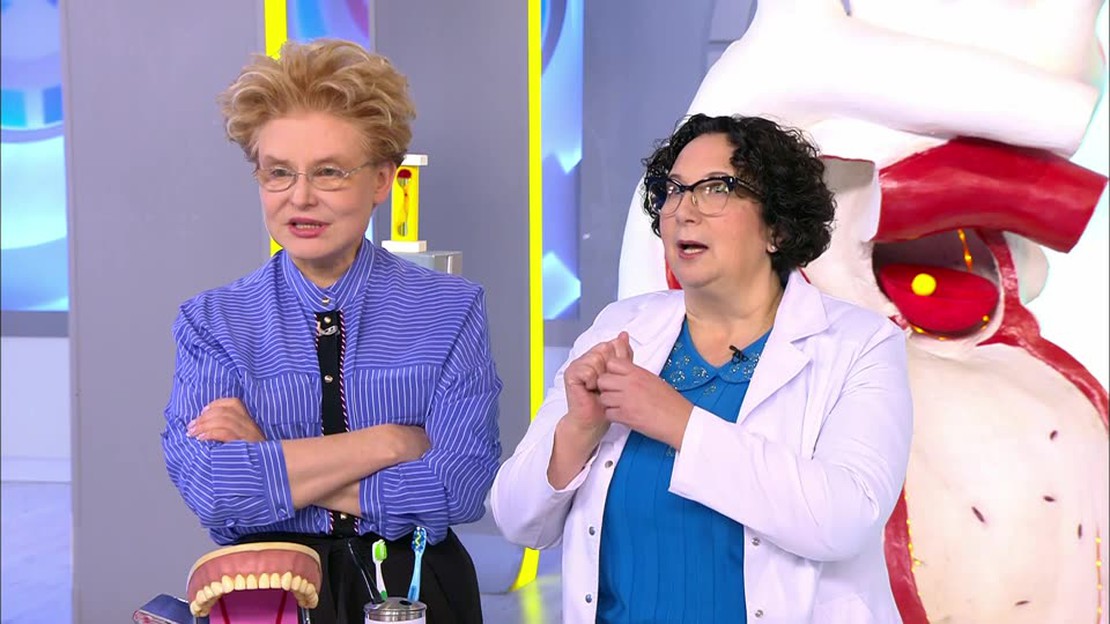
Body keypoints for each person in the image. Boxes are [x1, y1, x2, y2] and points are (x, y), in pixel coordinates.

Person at [491, 114, 913, 623]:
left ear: (778, 227)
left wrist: (678, 422)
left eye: (716, 189)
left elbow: (845, 519)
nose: (682, 211)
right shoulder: (621, 328)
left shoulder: (861, 344)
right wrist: (577, 430)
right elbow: (516, 520)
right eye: (672, 190)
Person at [161, 38, 501, 624]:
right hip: (266, 596)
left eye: (328, 172)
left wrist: (265, 456)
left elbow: (457, 488)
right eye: (278, 173)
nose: (300, 197)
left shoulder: (450, 309)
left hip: (420, 591)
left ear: (382, 180)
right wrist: (387, 443)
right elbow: (216, 492)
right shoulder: (212, 321)